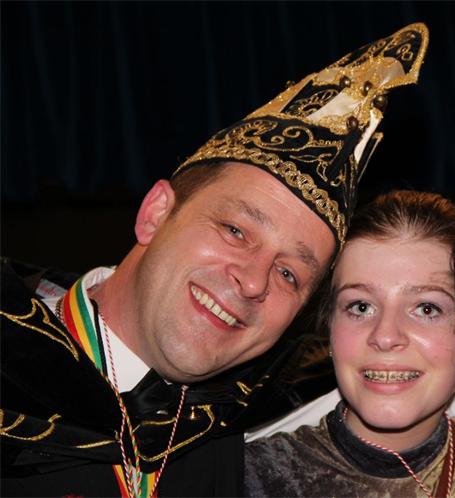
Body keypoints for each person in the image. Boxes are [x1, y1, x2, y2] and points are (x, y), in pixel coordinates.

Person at [0, 23, 430, 497]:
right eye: (236, 231)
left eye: (289, 273)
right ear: (154, 214)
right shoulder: (12, 371)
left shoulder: (261, 428)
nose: (253, 281)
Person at [245, 190, 455, 497]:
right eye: (361, 307)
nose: (385, 336)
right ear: (329, 328)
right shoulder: (242, 477)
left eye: (426, 309)